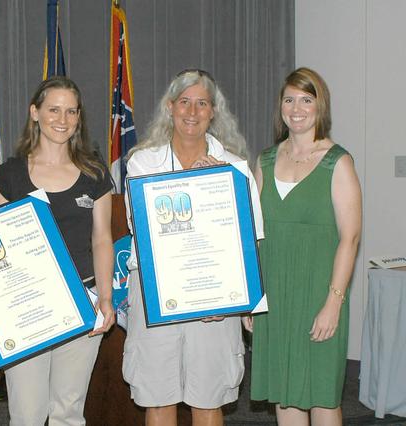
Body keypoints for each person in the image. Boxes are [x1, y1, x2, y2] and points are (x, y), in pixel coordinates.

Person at [122, 69, 264, 426]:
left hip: (214, 296)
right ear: (170, 107)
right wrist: (195, 184)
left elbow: (251, 239)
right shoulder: (142, 162)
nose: (192, 111)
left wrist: (219, 180)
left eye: (202, 103)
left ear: (213, 112)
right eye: (184, 102)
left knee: (208, 398)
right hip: (157, 294)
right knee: (158, 397)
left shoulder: (234, 168)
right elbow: (141, 227)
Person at [0, 76, 116, 425]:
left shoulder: (94, 173)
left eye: (71, 111)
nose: (62, 119)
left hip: (82, 300)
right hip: (26, 306)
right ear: (35, 113)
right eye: (54, 110)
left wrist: (105, 298)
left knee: (68, 412)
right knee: (27, 414)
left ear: (79, 118)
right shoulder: (8, 176)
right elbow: (0, 253)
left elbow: (102, 238)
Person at [246, 67, 362, 425]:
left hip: (318, 294)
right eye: (289, 99)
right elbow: (254, 235)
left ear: (319, 107)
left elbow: (350, 238)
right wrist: (251, 298)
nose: (296, 108)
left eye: (306, 100)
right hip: (275, 297)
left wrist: (333, 303)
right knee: (286, 394)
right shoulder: (264, 160)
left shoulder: (337, 162)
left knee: (323, 396)